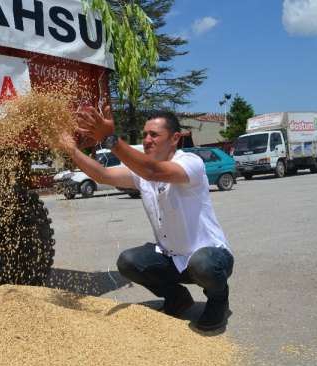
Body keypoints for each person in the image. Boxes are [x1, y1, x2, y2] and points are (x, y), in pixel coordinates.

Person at [57, 106, 234, 331]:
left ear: (175, 138)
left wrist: (110, 139)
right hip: (173, 258)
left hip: (211, 257)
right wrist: (71, 150)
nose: (147, 140)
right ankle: (178, 298)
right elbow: (104, 175)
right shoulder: (140, 172)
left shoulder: (191, 162)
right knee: (129, 262)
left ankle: (219, 299)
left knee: (203, 264)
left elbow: (154, 171)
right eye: (145, 134)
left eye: (154, 135)